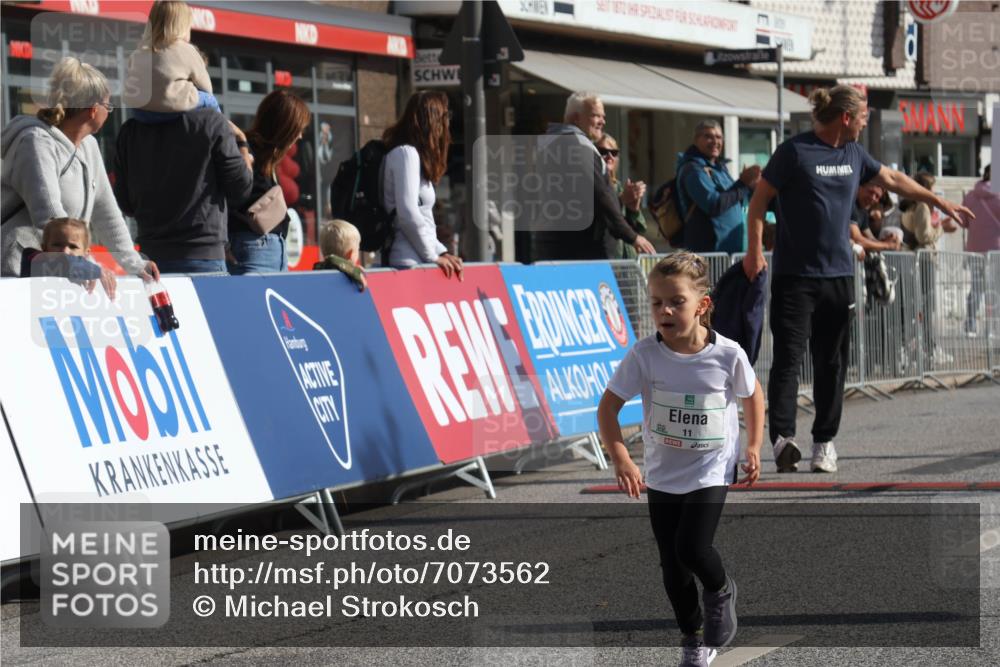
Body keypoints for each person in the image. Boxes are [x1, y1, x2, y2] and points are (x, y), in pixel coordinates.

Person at [742, 85, 973, 474]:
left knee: (831, 362)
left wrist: (937, 201)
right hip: (794, 277)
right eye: (864, 115)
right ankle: (783, 439)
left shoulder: (854, 154)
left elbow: (895, 178)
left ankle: (824, 442)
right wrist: (753, 252)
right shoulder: (794, 152)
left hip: (839, 276)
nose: (866, 121)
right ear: (847, 117)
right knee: (787, 360)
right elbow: (758, 204)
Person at [598, 252, 764, 667]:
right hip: (662, 473)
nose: (664, 311)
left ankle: (721, 589)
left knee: (692, 548)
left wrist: (754, 446)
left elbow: (752, 396)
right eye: (656, 302)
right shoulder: (644, 355)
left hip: (710, 467)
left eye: (675, 301)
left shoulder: (728, 355)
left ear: (702, 306)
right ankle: (693, 639)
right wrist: (621, 457)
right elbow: (608, 409)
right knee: (672, 569)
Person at [0, 57, 157, 280]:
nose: (109, 112)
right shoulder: (35, 141)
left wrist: (135, 263)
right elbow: (51, 217)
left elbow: (107, 213)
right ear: (93, 110)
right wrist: (88, 266)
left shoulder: (89, 146)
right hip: (15, 272)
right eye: (108, 106)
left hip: (58, 272)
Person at [113, 68, 253, 274]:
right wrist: (242, 144)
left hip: (151, 259)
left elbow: (125, 204)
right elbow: (241, 189)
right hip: (203, 255)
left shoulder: (130, 131)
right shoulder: (212, 122)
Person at [533, 92, 656, 260]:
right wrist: (632, 237)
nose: (602, 121)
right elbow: (600, 195)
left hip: (554, 246)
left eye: (603, 116)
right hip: (581, 252)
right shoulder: (577, 145)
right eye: (596, 115)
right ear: (576, 118)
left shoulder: (550, 144)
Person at [227, 89, 312, 274]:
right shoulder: (243, 151)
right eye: (298, 130)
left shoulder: (266, 158)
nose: (300, 136)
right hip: (253, 249)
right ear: (285, 127)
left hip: (270, 250)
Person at [382, 90, 463, 279]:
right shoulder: (406, 154)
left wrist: (441, 251)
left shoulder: (414, 156)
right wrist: (433, 256)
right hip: (406, 261)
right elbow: (408, 213)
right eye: (446, 115)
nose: (448, 122)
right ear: (432, 120)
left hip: (417, 259)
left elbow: (424, 217)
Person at [123, 0, 220, 122]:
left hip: (141, 112)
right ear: (184, 27)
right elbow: (206, 87)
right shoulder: (186, 50)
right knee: (210, 100)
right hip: (172, 108)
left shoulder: (139, 51)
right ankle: (224, 129)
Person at [900, 172, 959, 365]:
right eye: (932, 187)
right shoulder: (923, 206)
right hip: (924, 260)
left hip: (921, 260)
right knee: (926, 306)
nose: (934, 191)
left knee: (923, 306)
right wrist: (941, 227)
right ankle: (928, 348)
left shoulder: (916, 206)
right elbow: (924, 236)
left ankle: (926, 346)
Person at [676, 121, 760, 253]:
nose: (715, 141)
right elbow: (714, 205)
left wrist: (753, 186)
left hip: (731, 254)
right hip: (710, 256)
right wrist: (743, 184)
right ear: (696, 140)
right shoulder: (693, 170)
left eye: (719, 137)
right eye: (708, 136)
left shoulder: (720, 168)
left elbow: (734, 198)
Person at [20, 217, 117, 299]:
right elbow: (66, 262)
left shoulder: (85, 270)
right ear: (44, 248)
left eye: (73, 247)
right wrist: (96, 271)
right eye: (57, 245)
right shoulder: (34, 259)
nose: (65, 251)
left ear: (86, 253)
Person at [596, 133, 650, 259]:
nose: (609, 156)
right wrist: (621, 200)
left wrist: (634, 208)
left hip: (628, 261)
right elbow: (599, 223)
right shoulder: (592, 187)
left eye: (614, 152)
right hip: (606, 259)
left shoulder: (620, 186)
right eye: (603, 151)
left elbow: (640, 230)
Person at [960, 165, 999, 336]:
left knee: (976, 288)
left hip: (974, 250)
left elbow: (963, 222)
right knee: (995, 290)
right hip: (996, 250)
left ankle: (970, 325)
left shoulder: (970, 196)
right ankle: (991, 328)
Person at [849, 182, 902, 260]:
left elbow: (871, 239)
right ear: (860, 188)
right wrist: (887, 245)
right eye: (870, 192)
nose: (873, 198)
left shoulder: (863, 211)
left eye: (877, 196)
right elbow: (859, 240)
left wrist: (886, 240)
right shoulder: (850, 205)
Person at [314, 218, 366, 291]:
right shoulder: (327, 267)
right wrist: (354, 271)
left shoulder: (320, 270)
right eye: (357, 249)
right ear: (350, 254)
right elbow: (331, 260)